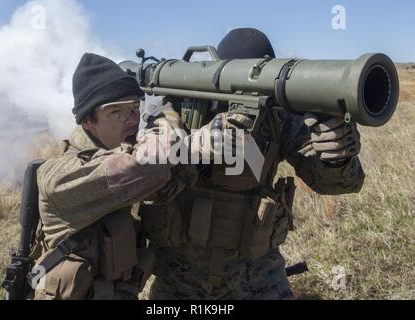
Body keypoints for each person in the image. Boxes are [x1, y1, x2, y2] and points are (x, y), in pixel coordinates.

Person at [141, 28, 365, 300]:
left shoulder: (278, 117)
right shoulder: (176, 103)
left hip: (256, 278)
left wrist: (336, 158)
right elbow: (145, 179)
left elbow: (337, 184)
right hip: (178, 279)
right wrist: (195, 147)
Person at [32, 53, 196, 300]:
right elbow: (147, 166)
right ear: (87, 120)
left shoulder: (115, 151)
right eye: (116, 112)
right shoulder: (61, 177)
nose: (132, 121)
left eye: (134, 108)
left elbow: (166, 185)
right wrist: (167, 118)